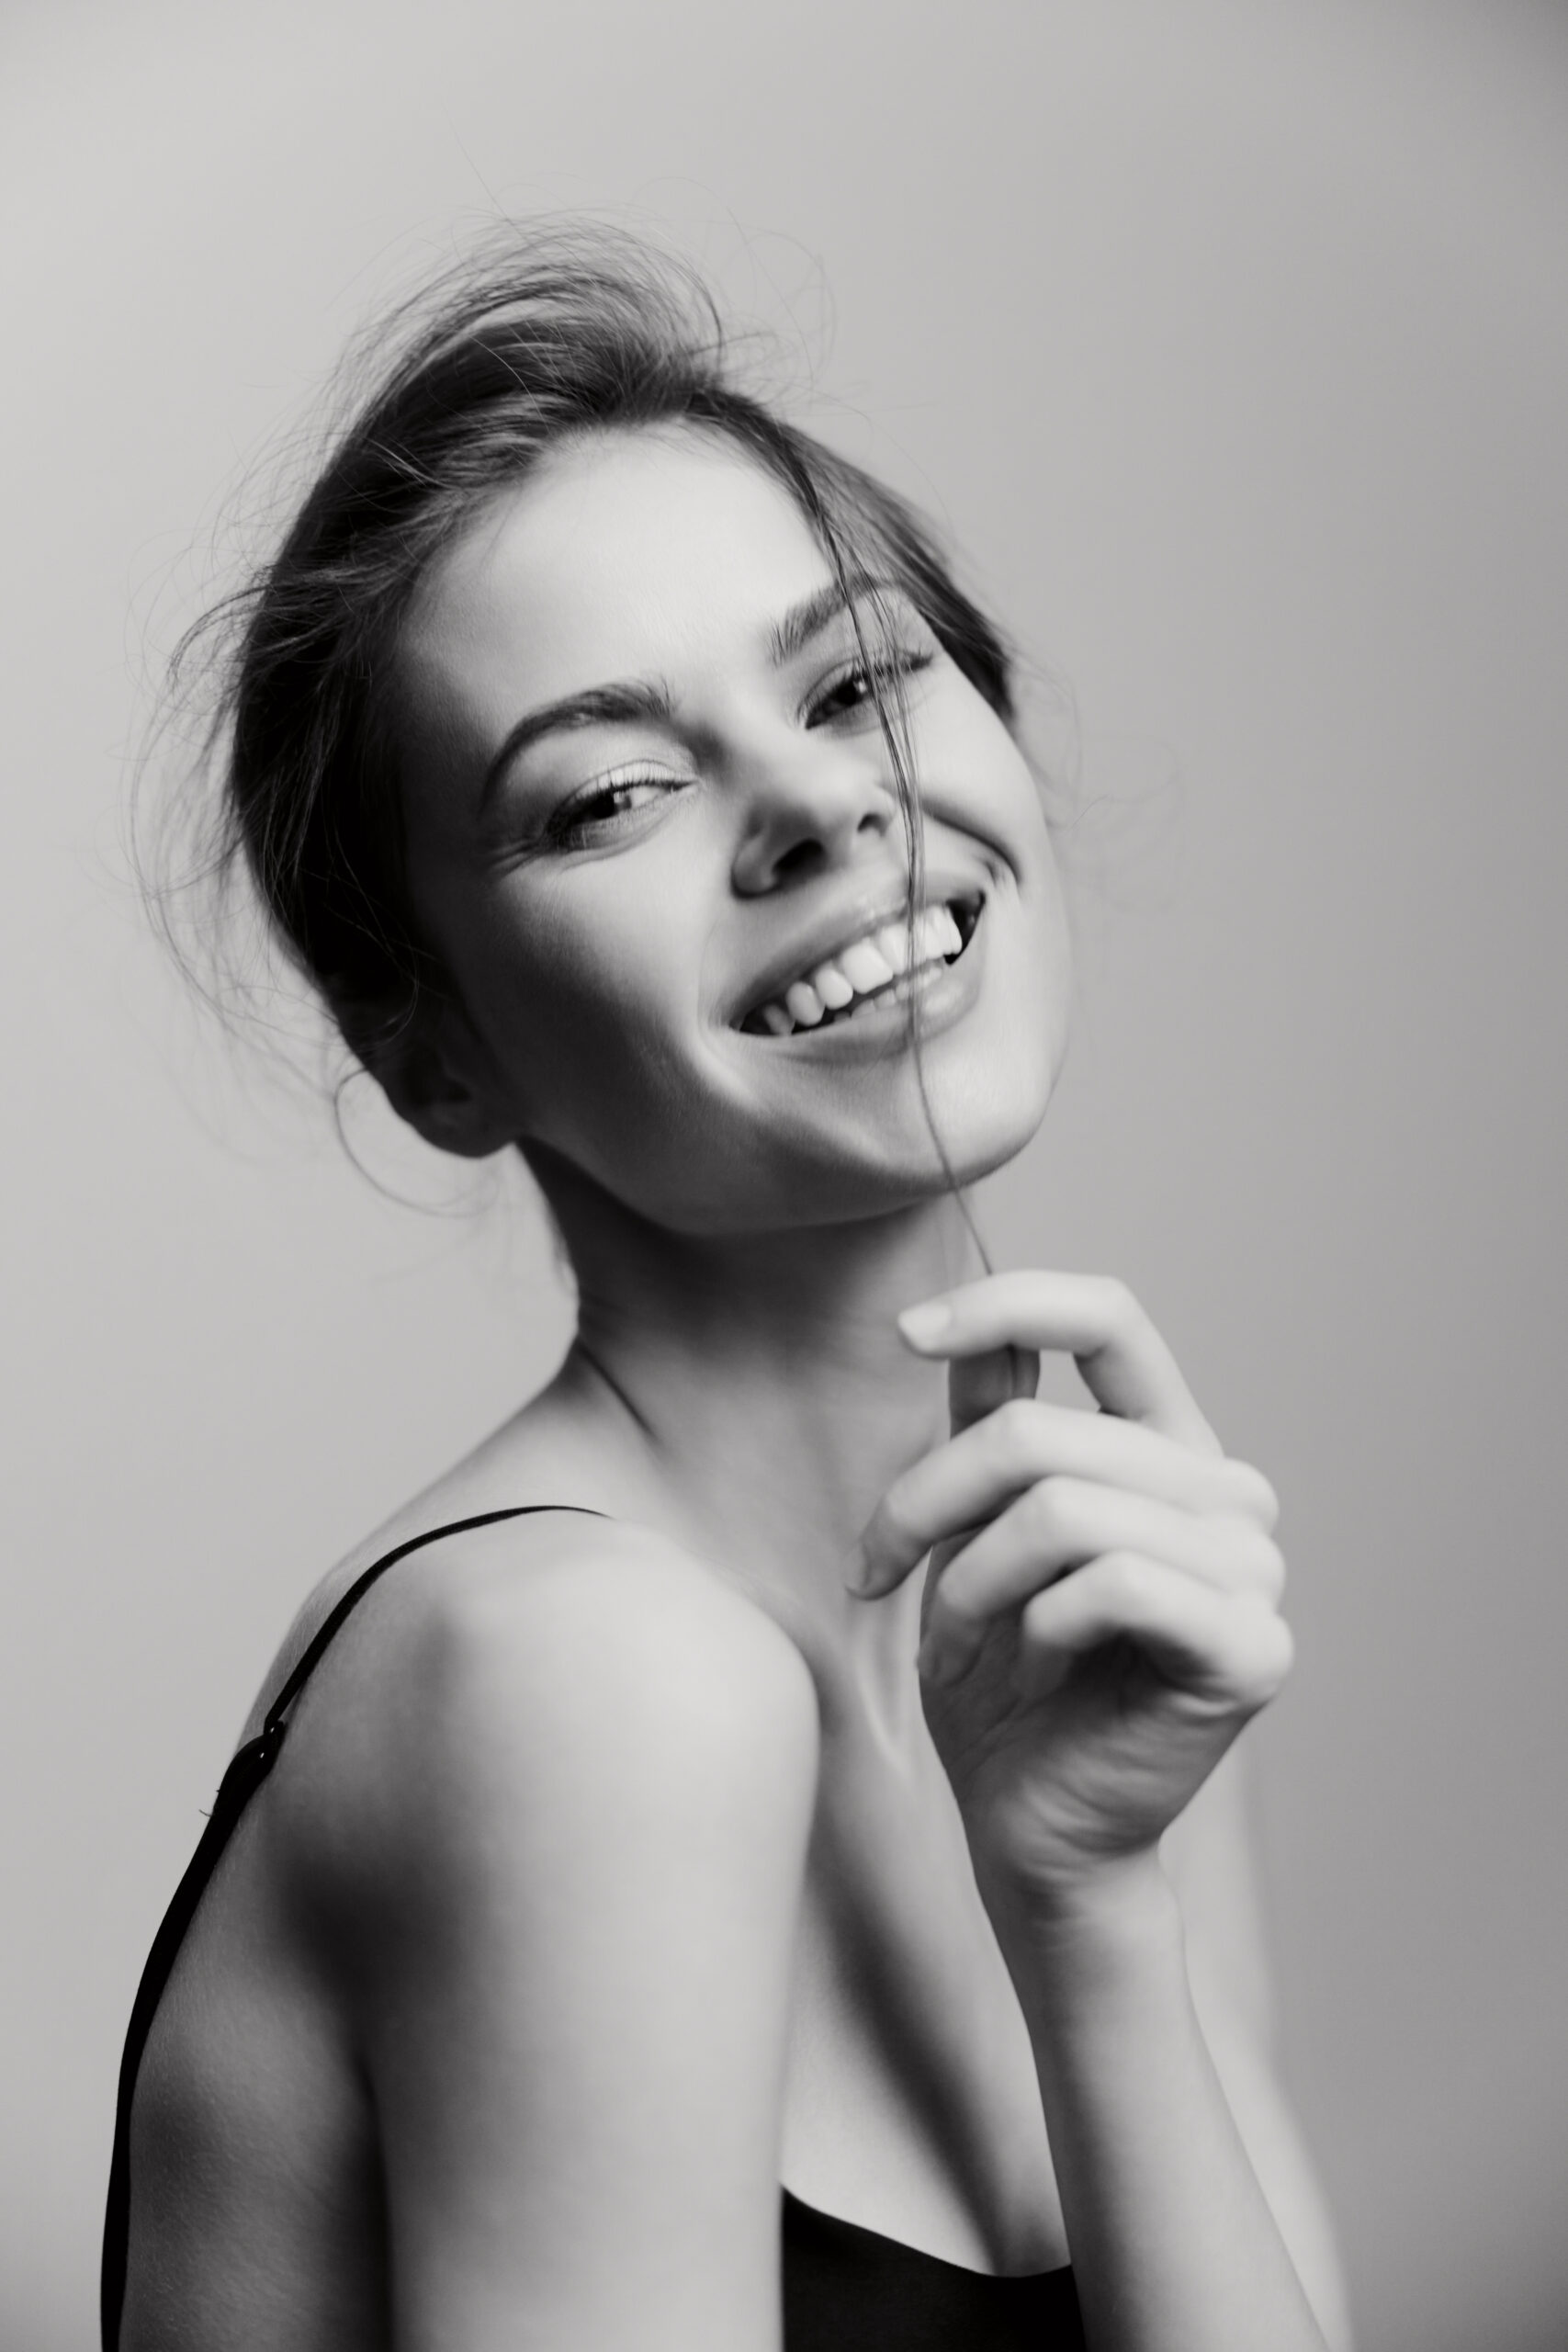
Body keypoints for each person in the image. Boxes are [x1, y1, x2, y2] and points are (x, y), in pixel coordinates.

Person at [105, 226, 1351, 2351]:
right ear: (435, 1054)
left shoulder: (1073, 1567)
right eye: (606, 794)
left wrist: (1083, 1906)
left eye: (855, 678)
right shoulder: (576, 1673)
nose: (812, 801)